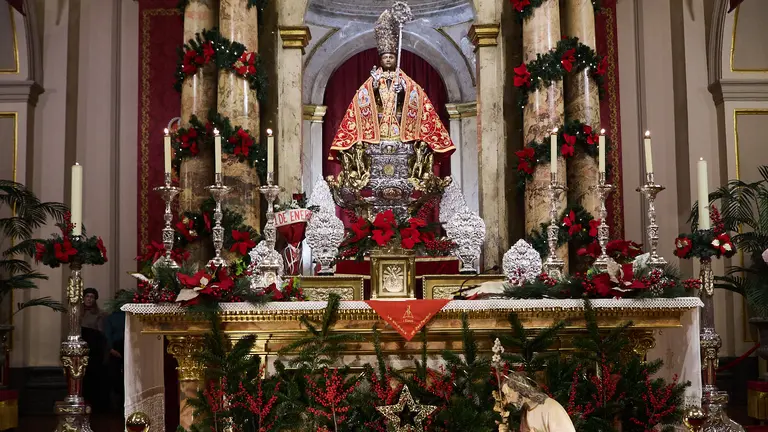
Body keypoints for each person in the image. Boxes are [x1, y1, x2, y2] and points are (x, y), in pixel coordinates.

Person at [500, 371, 576, 432]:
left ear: (520, 389)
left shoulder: (551, 408)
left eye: (508, 395)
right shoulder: (526, 410)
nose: (508, 401)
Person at [80, 287, 109, 413]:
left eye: (92, 297)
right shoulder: (77, 313)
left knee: (94, 377)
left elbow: (101, 333)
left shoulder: (100, 314)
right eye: (87, 296)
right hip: (80, 349)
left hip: (94, 349)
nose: (89, 299)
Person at [103, 290, 126, 413]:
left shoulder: (131, 316)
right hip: (115, 349)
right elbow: (107, 334)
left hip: (128, 348)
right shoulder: (111, 317)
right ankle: (115, 406)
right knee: (115, 377)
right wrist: (111, 349)